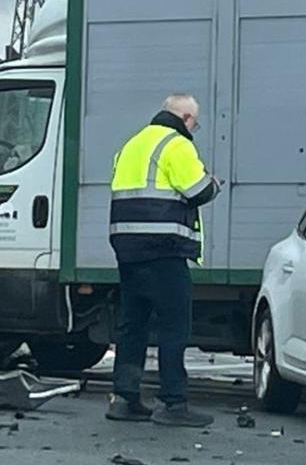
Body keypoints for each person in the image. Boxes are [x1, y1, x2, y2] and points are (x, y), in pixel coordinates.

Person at [105, 93, 221, 427]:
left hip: (128, 249)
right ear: (185, 118)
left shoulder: (133, 144)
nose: (194, 128)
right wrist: (214, 182)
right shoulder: (177, 145)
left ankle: (125, 399)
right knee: (174, 326)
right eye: (195, 122)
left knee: (132, 325)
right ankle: (173, 403)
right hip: (164, 250)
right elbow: (197, 190)